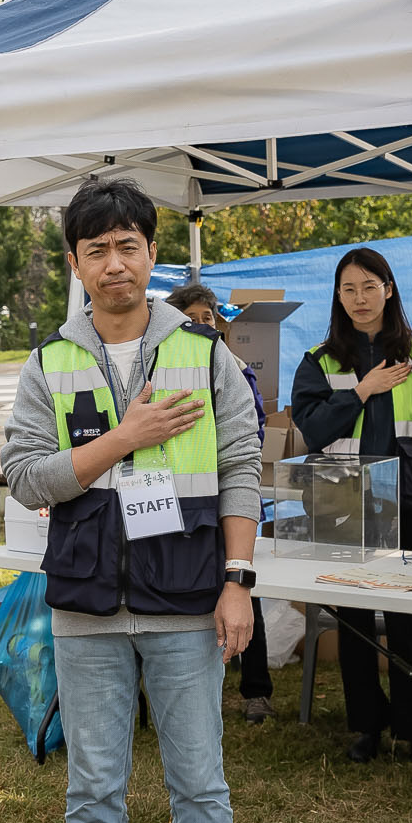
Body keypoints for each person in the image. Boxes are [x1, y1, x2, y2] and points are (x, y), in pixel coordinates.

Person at [2, 174, 261, 823]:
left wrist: (239, 583)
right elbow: (25, 479)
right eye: (96, 249)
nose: (114, 263)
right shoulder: (49, 362)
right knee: (93, 784)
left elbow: (241, 473)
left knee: (199, 779)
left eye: (129, 246)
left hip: (187, 598)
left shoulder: (207, 352)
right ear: (75, 261)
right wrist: (124, 438)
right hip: (86, 605)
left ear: (152, 252)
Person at [287, 247, 412, 762]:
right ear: (338, 296)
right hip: (342, 503)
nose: (360, 299)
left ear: (389, 290)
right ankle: (367, 725)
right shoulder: (320, 361)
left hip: (408, 506)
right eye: (348, 289)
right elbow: (312, 430)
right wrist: (364, 390)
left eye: (370, 286)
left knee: (406, 618)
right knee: (352, 616)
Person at [168, 284, 276, 721]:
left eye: (208, 317)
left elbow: (252, 435)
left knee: (243, 590)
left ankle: (256, 689)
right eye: (191, 318)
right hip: (185, 508)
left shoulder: (235, 369)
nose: (201, 324)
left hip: (230, 502)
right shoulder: (168, 368)